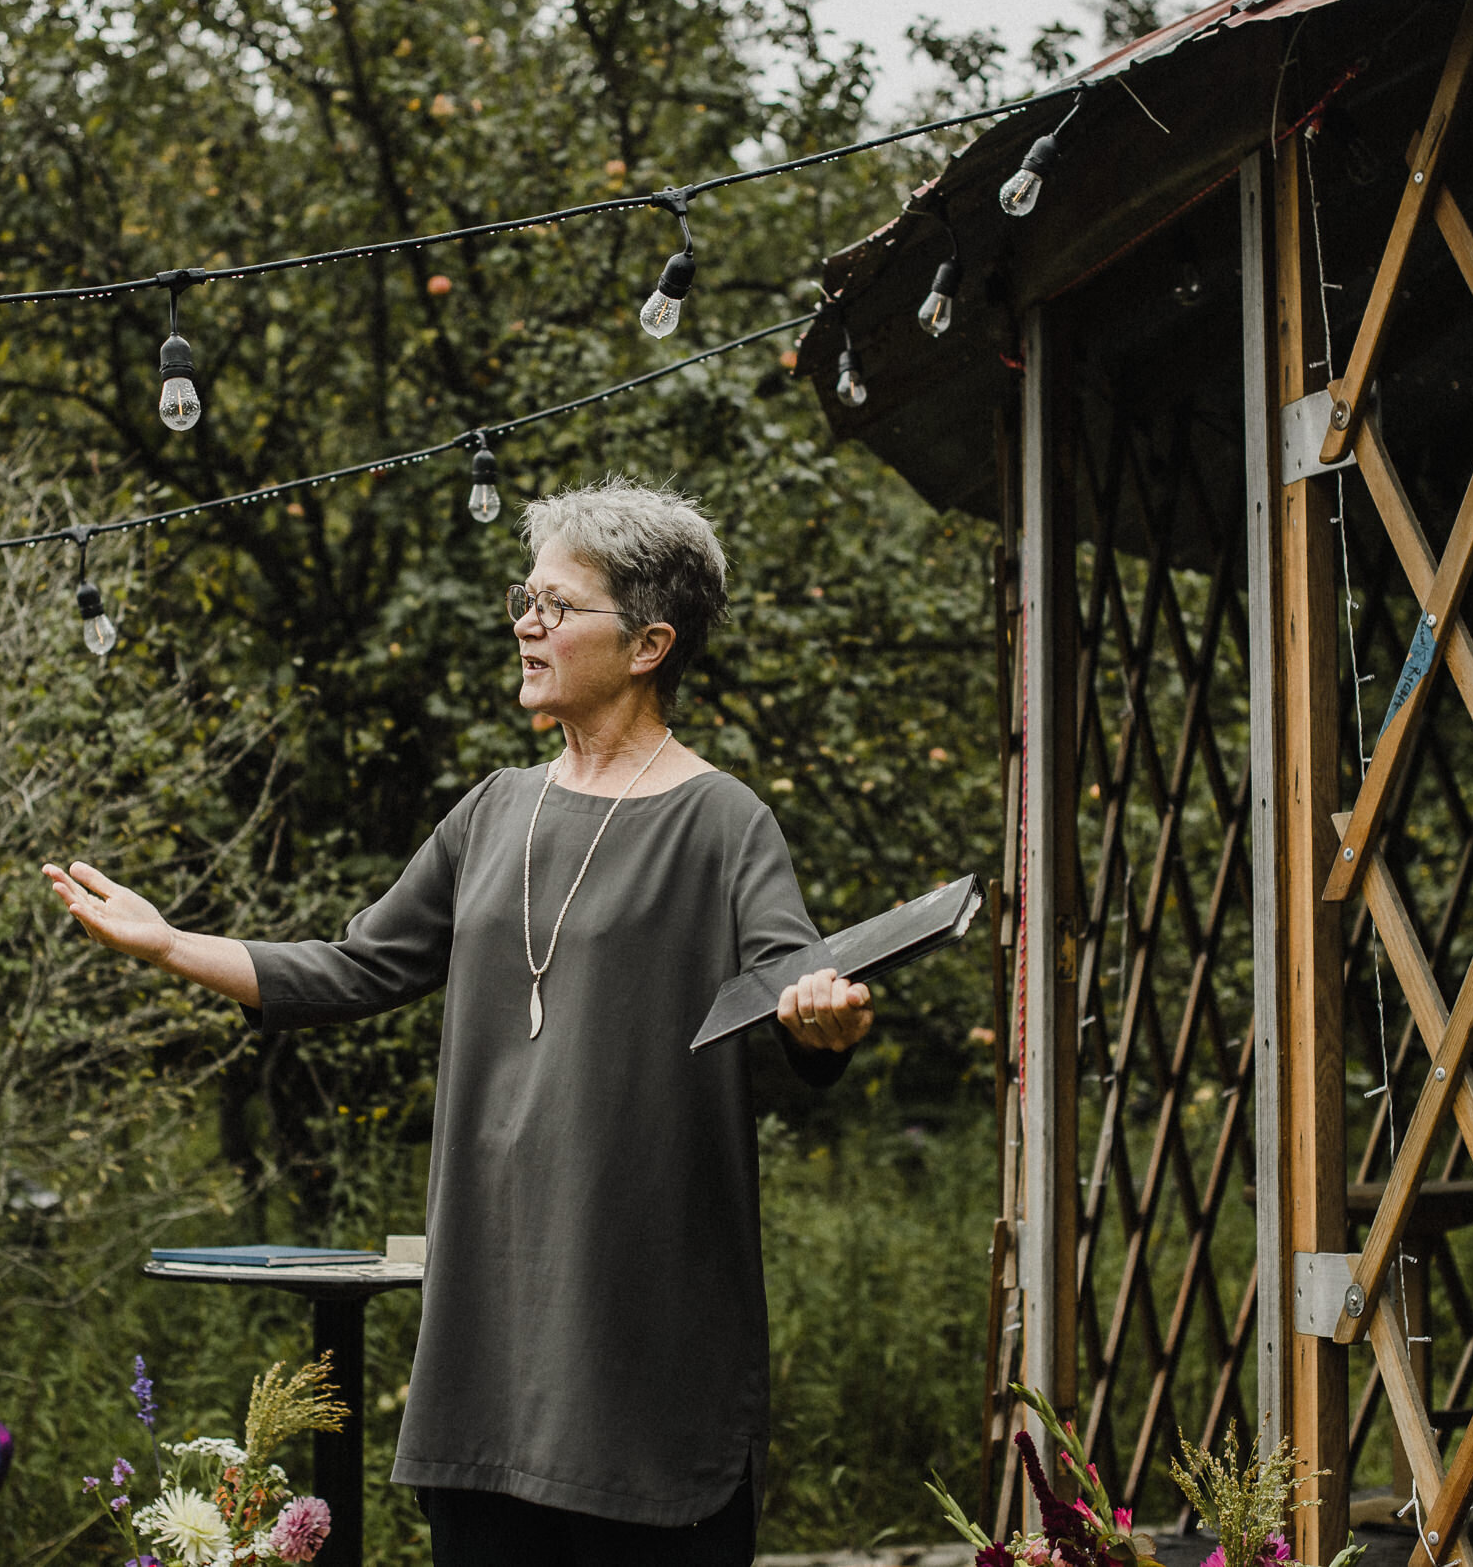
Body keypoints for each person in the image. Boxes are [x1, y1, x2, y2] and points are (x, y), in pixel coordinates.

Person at [42, 476, 872, 1567]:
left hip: (643, 1368)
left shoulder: (721, 821)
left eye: (557, 605)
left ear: (647, 642)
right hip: (486, 1358)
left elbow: (787, 991)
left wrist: (820, 1021)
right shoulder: (492, 810)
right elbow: (353, 965)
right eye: (524, 597)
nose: (526, 623)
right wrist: (170, 943)